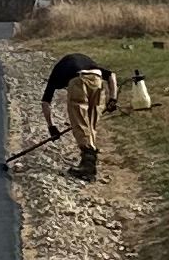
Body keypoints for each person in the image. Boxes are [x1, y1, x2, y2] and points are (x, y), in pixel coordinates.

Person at [39, 50, 144, 180]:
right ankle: (90, 161)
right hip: (97, 78)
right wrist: (112, 98)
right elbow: (112, 75)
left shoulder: (56, 76)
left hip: (78, 79)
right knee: (90, 122)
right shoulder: (84, 63)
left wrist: (51, 127)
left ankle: (87, 165)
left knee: (79, 121)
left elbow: (45, 103)